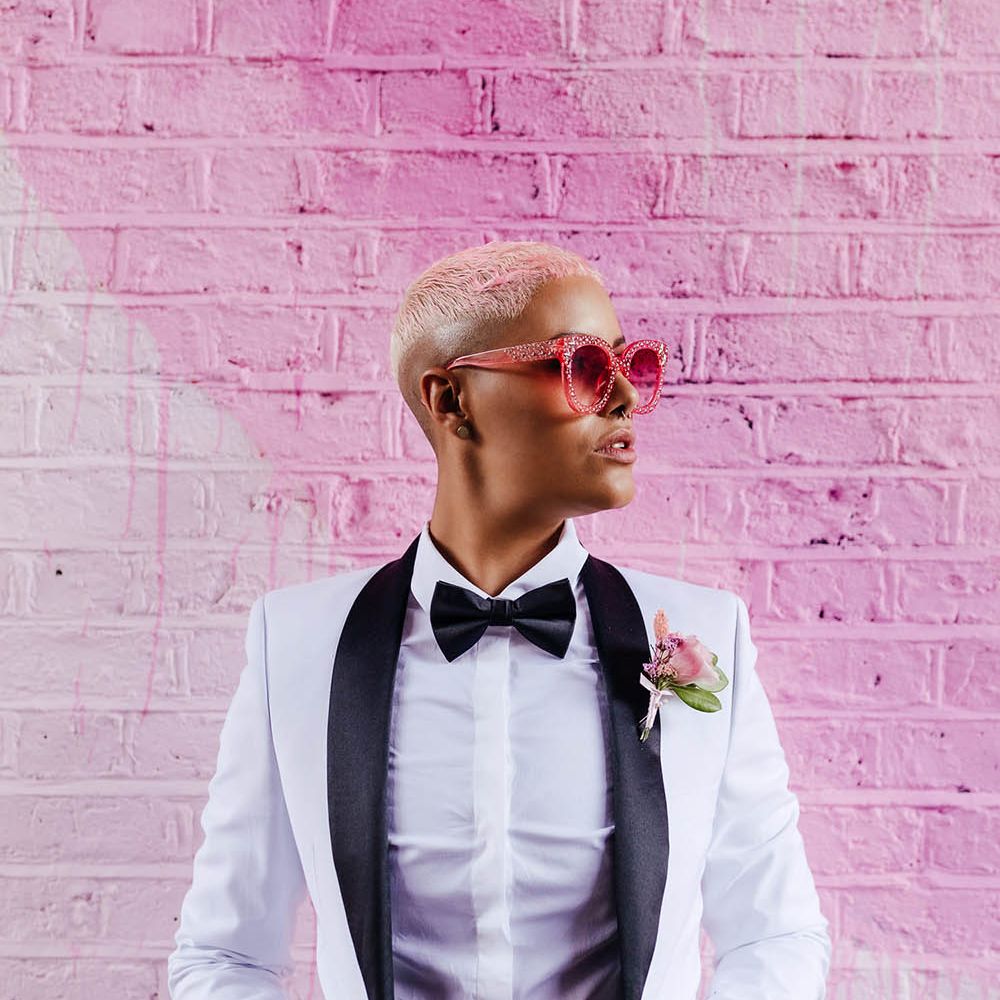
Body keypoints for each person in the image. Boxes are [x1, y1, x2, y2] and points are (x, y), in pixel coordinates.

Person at [167, 240, 832, 999]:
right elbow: (225, 954)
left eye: (628, 363)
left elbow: (775, 932)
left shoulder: (706, 635)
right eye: (583, 364)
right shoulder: (296, 643)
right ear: (452, 400)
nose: (624, 396)